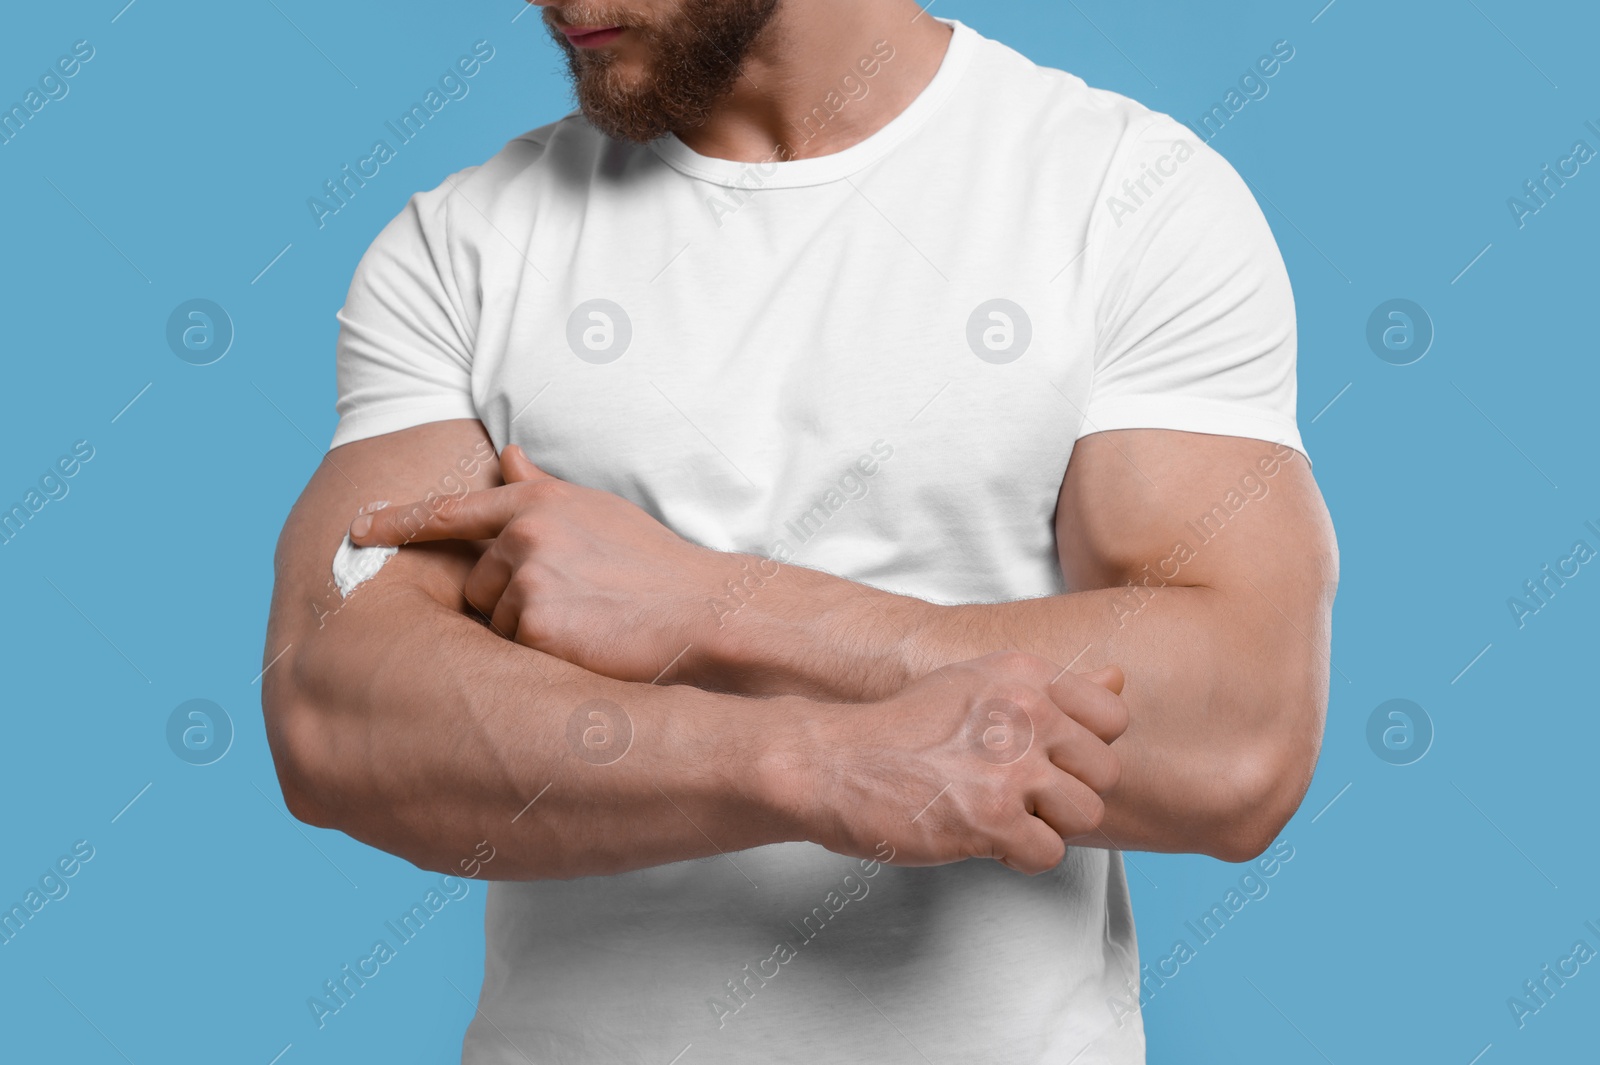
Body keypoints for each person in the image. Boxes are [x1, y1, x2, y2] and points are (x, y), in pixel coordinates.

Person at [261, 1, 1339, 1061]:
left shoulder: (1123, 199)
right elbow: (335, 715)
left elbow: (1237, 741)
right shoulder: (461, 248)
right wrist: (807, 765)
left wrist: (716, 608)